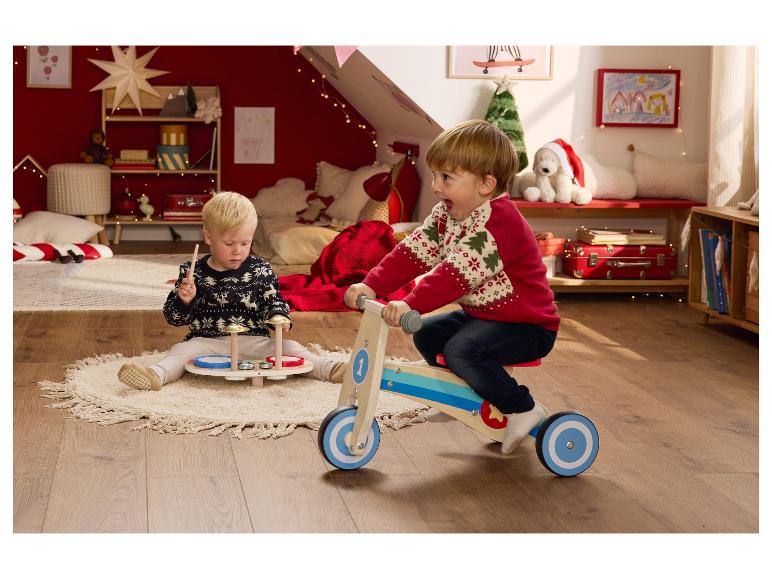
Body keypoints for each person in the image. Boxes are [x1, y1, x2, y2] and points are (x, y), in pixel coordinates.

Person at [345, 120, 559, 455]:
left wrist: (411, 303)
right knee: (428, 335)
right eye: (435, 176)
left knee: (461, 349)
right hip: (486, 317)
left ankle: (522, 408)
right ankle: (461, 396)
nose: (435, 187)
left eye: (446, 178)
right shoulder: (447, 214)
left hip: (528, 325)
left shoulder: (500, 224)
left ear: (486, 184)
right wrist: (371, 284)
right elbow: (411, 253)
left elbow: (454, 274)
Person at [118, 191, 346, 391]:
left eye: (245, 243)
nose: (238, 251)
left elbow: (273, 300)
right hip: (207, 342)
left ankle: (331, 369)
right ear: (208, 237)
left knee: (291, 348)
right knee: (180, 351)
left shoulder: (260, 268)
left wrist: (278, 315)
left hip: (255, 340)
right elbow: (173, 317)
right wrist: (184, 300)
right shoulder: (192, 271)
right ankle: (156, 375)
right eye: (229, 244)